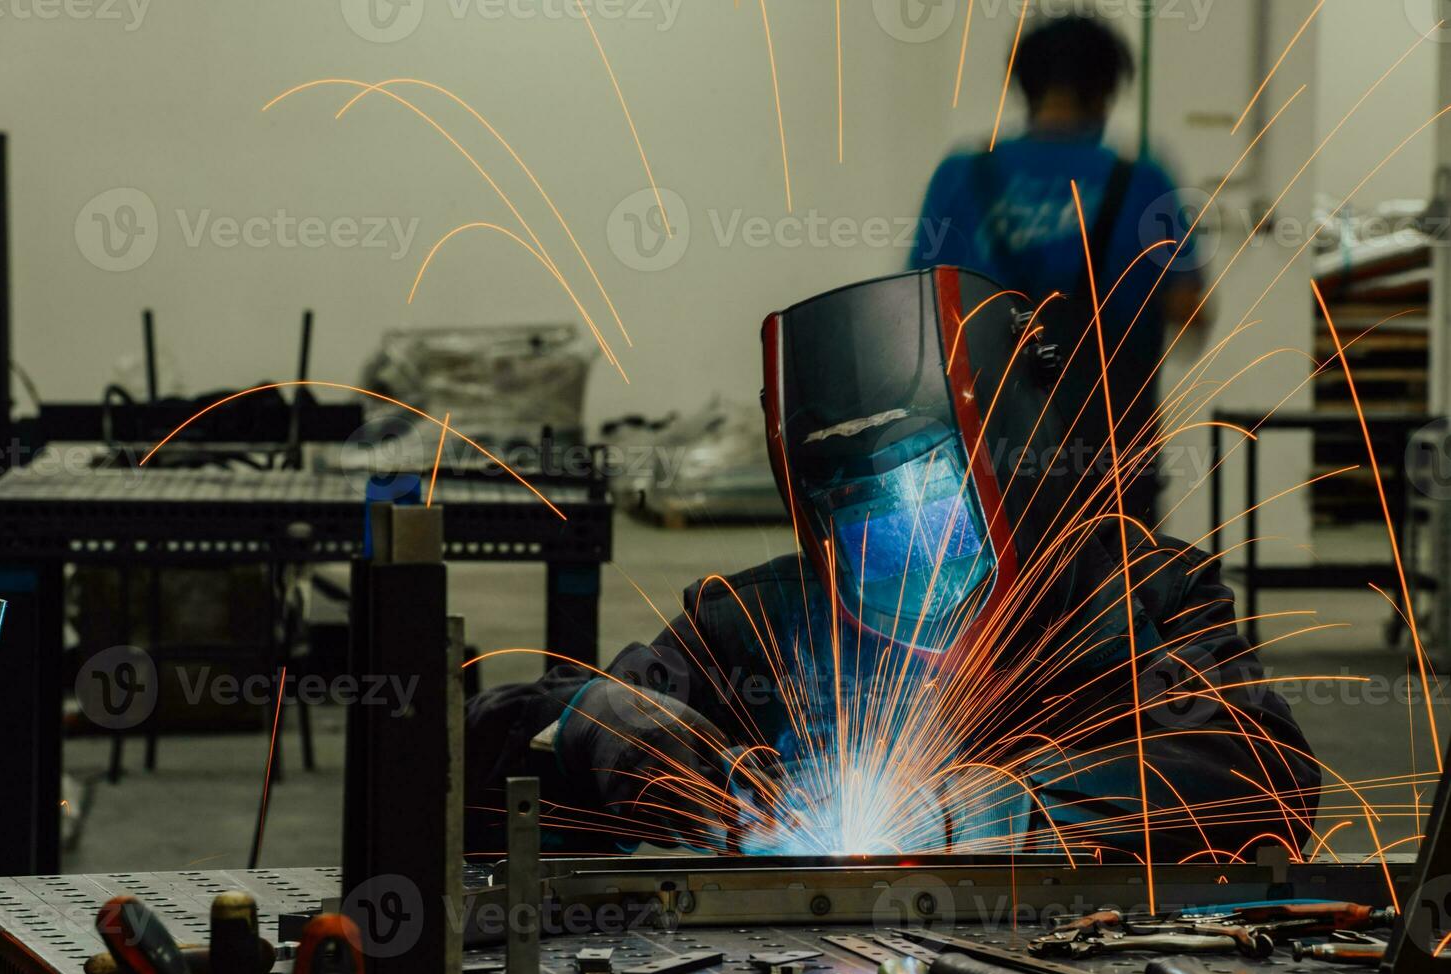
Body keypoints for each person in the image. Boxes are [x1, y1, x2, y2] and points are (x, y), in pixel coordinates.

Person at [464, 267, 1319, 863]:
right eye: (863, 524)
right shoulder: (755, 622)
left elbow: (1256, 769)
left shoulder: (1139, 593)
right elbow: (485, 756)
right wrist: (607, 729)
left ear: (1012, 475)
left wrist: (985, 813)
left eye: (932, 514)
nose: (901, 555)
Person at [910, 13, 1209, 523]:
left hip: (989, 447)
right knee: (1118, 583)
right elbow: (1190, 310)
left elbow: (920, 306)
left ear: (1024, 86)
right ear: (1107, 89)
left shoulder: (962, 176)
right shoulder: (1142, 180)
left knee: (1003, 590)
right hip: (1110, 448)